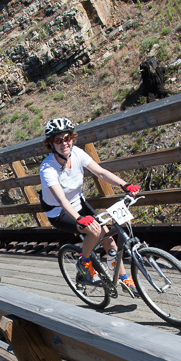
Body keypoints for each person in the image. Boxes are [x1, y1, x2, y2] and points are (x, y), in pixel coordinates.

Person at [39, 117, 141, 293]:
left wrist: (125, 185)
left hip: (78, 203)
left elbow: (100, 172)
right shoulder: (47, 168)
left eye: (67, 138)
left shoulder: (77, 153)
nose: (64, 143)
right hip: (59, 211)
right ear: (51, 144)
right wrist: (79, 218)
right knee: (94, 230)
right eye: (58, 140)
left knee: (108, 238)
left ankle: (124, 279)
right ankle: (84, 262)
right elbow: (62, 199)